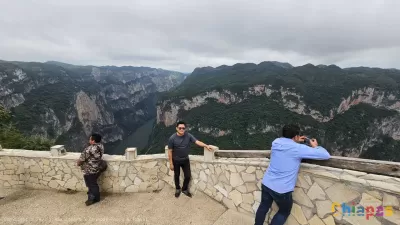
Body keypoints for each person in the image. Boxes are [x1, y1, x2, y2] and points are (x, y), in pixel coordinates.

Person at [254, 124, 331, 225]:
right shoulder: (298, 148)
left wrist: (295, 141)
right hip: (282, 190)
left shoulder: (276, 142)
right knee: (283, 212)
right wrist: (315, 146)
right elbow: (325, 155)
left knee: (263, 206)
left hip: (267, 183)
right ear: (295, 136)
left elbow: (287, 146)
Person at [168, 121, 213, 198]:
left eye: (183, 128)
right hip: (176, 160)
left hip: (185, 160)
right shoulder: (172, 138)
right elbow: (170, 151)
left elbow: (197, 141)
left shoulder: (188, 135)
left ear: (185, 129)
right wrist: (171, 163)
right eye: (180, 128)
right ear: (176, 128)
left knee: (188, 176)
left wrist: (206, 145)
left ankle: (184, 189)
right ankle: (178, 189)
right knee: (176, 175)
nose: (182, 129)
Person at [77, 133, 104, 206]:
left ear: (93, 141)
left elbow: (81, 159)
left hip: (90, 170)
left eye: (90, 139)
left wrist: (78, 163)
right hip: (98, 168)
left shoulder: (89, 149)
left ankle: (94, 198)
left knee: (92, 184)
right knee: (93, 183)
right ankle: (92, 194)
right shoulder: (100, 146)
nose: (89, 140)